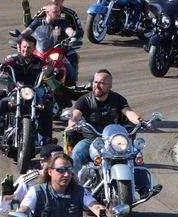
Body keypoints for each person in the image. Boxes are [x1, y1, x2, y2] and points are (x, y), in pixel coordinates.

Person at [65, 69, 159, 199]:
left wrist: (142, 122)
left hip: (114, 140)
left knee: (136, 153)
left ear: (110, 86)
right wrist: (72, 124)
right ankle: (72, 189)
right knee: (76, 154)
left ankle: (144, 188)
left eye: (102, 83)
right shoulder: (85, 100)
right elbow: (75, 115)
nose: (97, 86)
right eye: (95, 82)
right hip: (92, 140)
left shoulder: (117, 99)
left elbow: (128, 112)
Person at [0, 32, 54, 147]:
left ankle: (46, 138)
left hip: (33, 94)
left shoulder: (39, 62)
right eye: (24, 47)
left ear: (34, 48)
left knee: (47, 105)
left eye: (29, 47)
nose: (26, 49)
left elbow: (47, 68)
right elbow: (4, 64)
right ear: (20, 47)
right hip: (15, 94)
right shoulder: (12, 59)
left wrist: (52, 70)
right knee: (2, 103)